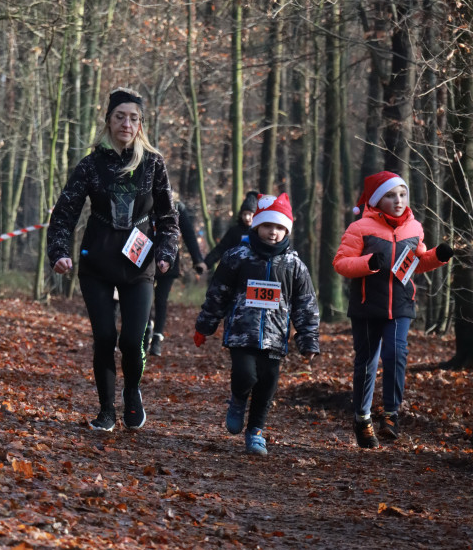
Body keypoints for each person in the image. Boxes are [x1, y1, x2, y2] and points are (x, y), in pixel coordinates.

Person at [47, 86, 179, 432]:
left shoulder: (153, 164)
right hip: (97, 265)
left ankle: (132, 390)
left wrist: (166, 253)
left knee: (132, 341)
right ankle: (106, 410)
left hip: (140, 266)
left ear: (141, 124)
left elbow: (168, 219)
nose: (126, 123)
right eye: (120, 116)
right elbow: (63, 214)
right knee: (105, 337)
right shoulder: (91, 165)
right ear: (108, 121)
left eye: (133, 118)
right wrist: (59, 253)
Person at [333, 171, 454, 449]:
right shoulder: (359, 228)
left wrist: (437, 257)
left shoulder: (414, 228)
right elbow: (341, 263)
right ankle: (362, 419)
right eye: (390, 195)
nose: (398, 200)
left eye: (402, 194)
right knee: (367, 361)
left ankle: (391, 416)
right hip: (366, 306)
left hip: (400, 304)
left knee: (396, 353)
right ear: (377, 200)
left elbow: (416, 263)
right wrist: (369, 263)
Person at [193, 193, 320, 456]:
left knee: (267, 384)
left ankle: (256, 432)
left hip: (275, 336)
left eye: (279, 227)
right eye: (268, 226)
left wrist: (308, 339)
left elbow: (305, 304)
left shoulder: (294, 265)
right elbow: (219, 292)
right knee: (245, 375)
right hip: (242, 333)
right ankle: (238, 400)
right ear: (257, 226)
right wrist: (205, 325)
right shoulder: (237, 257)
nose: (273, 232)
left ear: (287, 230)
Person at [147, 198, 204, 356]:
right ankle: (146, 330)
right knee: (144, 299)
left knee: (161, 300)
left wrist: (198, 260)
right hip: (145, 260)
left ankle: (157, 338)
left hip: (167, 262)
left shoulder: (177, 207)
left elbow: (189, 234)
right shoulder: (145, 201)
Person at [195, 191, 258, 274]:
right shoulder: (234, 231)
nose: (247, 217)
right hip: (236, 271)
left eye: (250, 214)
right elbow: (221, 248)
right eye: (244, 214)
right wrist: (206, 263)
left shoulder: (260, 232)